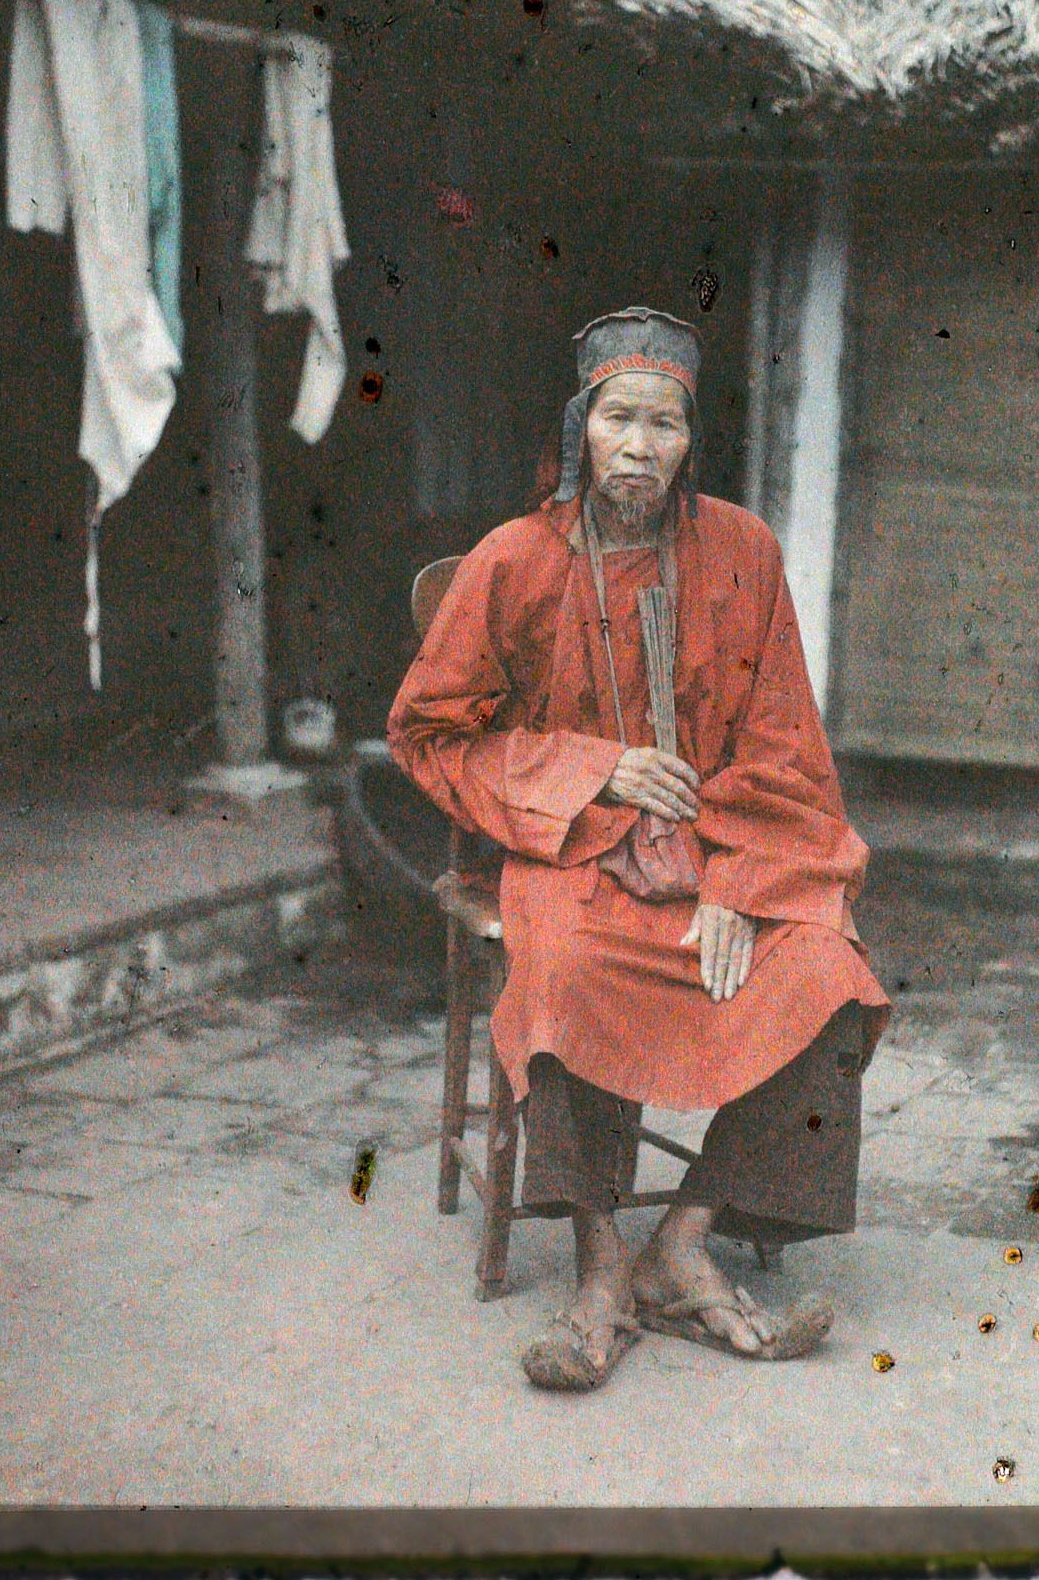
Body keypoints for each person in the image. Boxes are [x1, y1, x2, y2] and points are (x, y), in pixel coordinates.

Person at [387, 306, 889, 1390]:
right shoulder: (512, 560)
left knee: (827, 975)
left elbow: (784, 740)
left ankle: (683, 1239)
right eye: (619, 415)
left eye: (664, 422)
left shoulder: (743, 552)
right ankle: (602, 1267)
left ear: (688, 439)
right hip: (567, 848)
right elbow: (431, 734)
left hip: (724, 849)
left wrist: (740, 879)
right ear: (581, 426)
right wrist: (590, 769)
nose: (640, 444)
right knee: (559, 980)